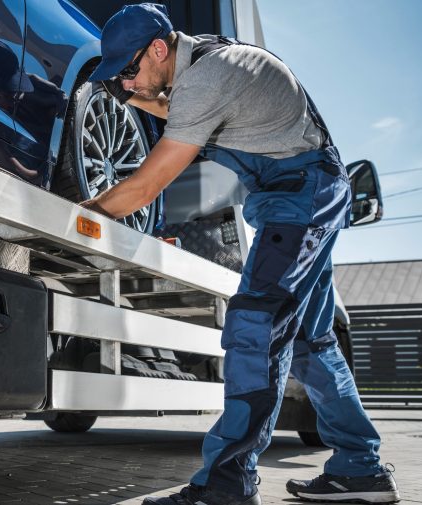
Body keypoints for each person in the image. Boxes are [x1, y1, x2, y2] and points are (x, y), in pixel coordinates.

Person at [81, 4, 399, 505]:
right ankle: (361, 469)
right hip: (307, 192)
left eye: (129, 70)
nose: (127, 82)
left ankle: (228, 483)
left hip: (300, 199)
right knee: (312, 345)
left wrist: (80, 212)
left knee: (254, 326)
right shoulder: (206, 64)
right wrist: (137, 94)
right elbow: (185, 113)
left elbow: (143, 189)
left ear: (159, 50)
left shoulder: (211, 76)